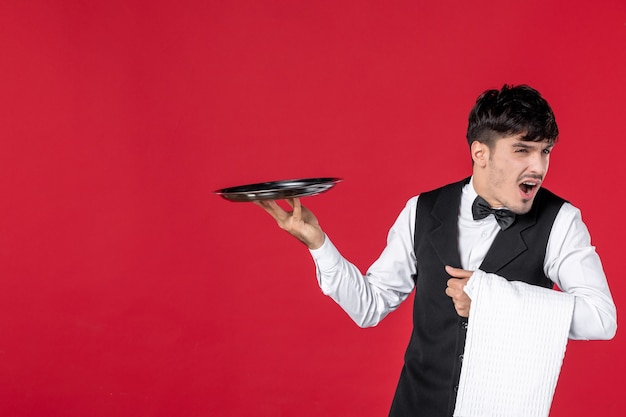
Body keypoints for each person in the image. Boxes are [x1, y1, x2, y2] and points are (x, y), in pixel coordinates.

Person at [255, 84, 617, 416]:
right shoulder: (422, 210)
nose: (537, 167)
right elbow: (369, 306)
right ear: (481, 153)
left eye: (545, 152)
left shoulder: (562, 221)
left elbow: (602, 319)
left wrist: (495, 303)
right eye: (522, 150)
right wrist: (318, 242)